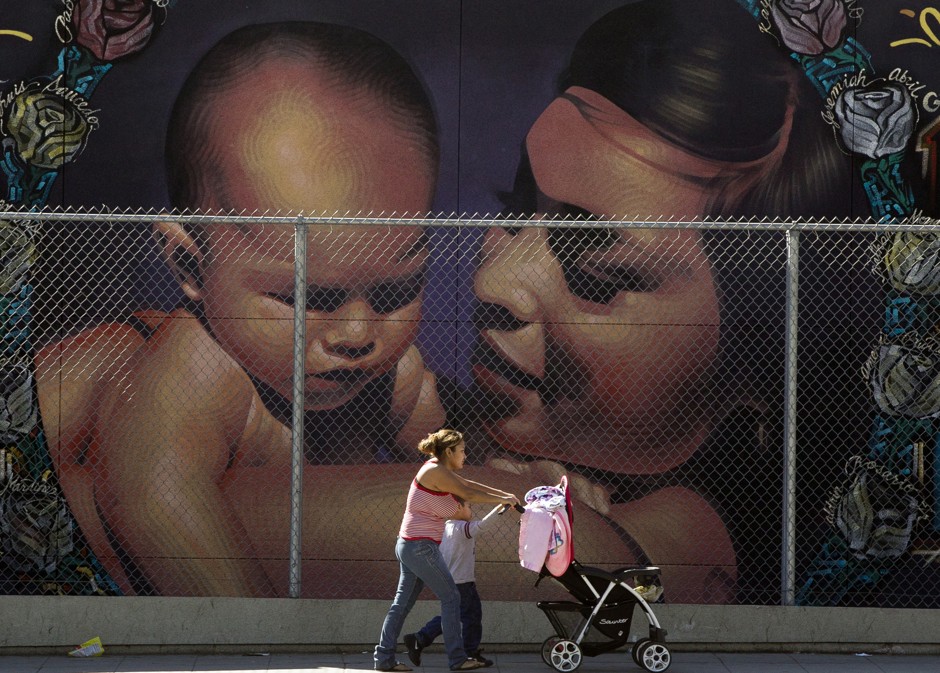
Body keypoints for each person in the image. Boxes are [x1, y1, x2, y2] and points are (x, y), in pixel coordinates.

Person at [462, 0, 858, 604]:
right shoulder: (433, 407)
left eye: (597, 272)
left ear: (756, 349)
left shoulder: (710, 522)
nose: (496, 284)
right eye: (517, 210)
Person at [34, 21, 446, 596]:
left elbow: (453, 467)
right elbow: (148, 499)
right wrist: (261, 632)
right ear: (188, 267)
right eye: (308, 298)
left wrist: (511, 479)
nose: (357, 332)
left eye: (396, 291)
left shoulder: (393, 379)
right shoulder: (198, 368)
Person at [373, 428, 519, 673]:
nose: (465, 455)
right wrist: (503, 498)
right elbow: (469, 492)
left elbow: (468, 484)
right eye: (461, 451)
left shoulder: (439, 469)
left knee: (402, 605)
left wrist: (505, 496)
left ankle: (383, 659)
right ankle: (457, 659)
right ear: (449, 451)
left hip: (411, 545)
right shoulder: (434, 471)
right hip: (420, 547)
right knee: (452, 597)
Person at [404, 500, 502, 668]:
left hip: (462, 581)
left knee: (472, 615)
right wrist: (502, 507)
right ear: (458, 508)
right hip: (460, 582)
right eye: (469, 506)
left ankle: (469, 652)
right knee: (457, 616)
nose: (472, 510)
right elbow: (483, 526)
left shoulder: (446, 527)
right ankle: (421, 638)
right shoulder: (460, 528)